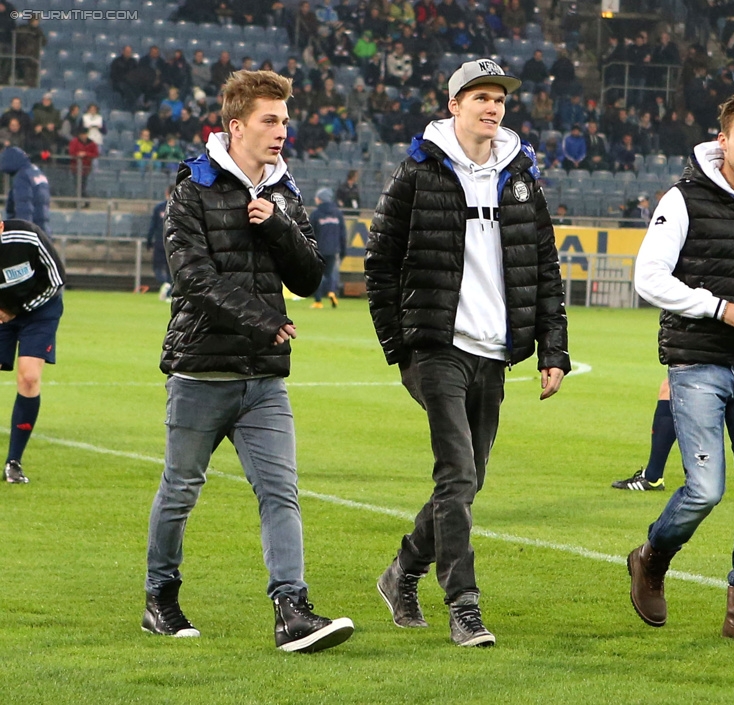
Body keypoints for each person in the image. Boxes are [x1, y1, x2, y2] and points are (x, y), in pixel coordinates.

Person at [142, 69, 354, 653]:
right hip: (201, 370)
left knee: (281, 494)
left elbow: (310, 278)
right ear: (236, 126)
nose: (281, 131)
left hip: (263, 378)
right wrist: (264, 319)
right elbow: (191, 277)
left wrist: (280, 226)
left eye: (284, 120)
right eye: (270, 120)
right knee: (180, 490)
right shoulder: (192, 186)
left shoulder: (285, 191)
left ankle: (293, 610)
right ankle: (160, 600)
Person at [365, 59, 570, 648]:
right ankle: (464, 607)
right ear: (453, 105)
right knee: (456, 473)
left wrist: (553, 349)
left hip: (495, 351)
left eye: (499, 98)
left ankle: (402, 571)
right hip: (437, 350)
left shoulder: (521, 176)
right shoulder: (417, 173)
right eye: (480, 96)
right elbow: (379, 263)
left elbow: (544, 268)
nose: (492, 106)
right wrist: (399, 346)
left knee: (468, 479)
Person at [627, 90, 734, 646]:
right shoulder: (682, 198)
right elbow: (648, 276)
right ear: (722, 139)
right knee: (704, 490)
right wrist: (720, 308)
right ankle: (652, 558)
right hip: (697, 362)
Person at [0, 218, 65, 484]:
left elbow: (56, 280)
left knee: (28, 377)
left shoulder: (27, 236)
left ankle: (13, 462)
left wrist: (17, 310)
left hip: (39, 312)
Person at [309, 186, 346, 309]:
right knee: (330, 273)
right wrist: (343, 251)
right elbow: (343, 234)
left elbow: (309, 232)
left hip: (320, 249)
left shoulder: (315, 214)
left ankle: (318, 301)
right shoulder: (338, 213)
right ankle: (331, 292)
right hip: (334, 249)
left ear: (320, 199)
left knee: (318, 274)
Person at [0, 147, 50, 235]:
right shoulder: (36, 171)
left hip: (31, 233)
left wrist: (24, 232)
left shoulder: (22, 176)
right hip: (43, 228)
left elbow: (24, 208)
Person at [146, 186, 172, 301]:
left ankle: (165, 284)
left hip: (160, 242)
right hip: (175, 244)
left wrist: (148, 241)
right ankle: (168, 291)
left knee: (157, 268)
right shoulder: (182, 207)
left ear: (166, 193)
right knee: (171, 270)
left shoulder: (159, 208)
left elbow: (152, 227)